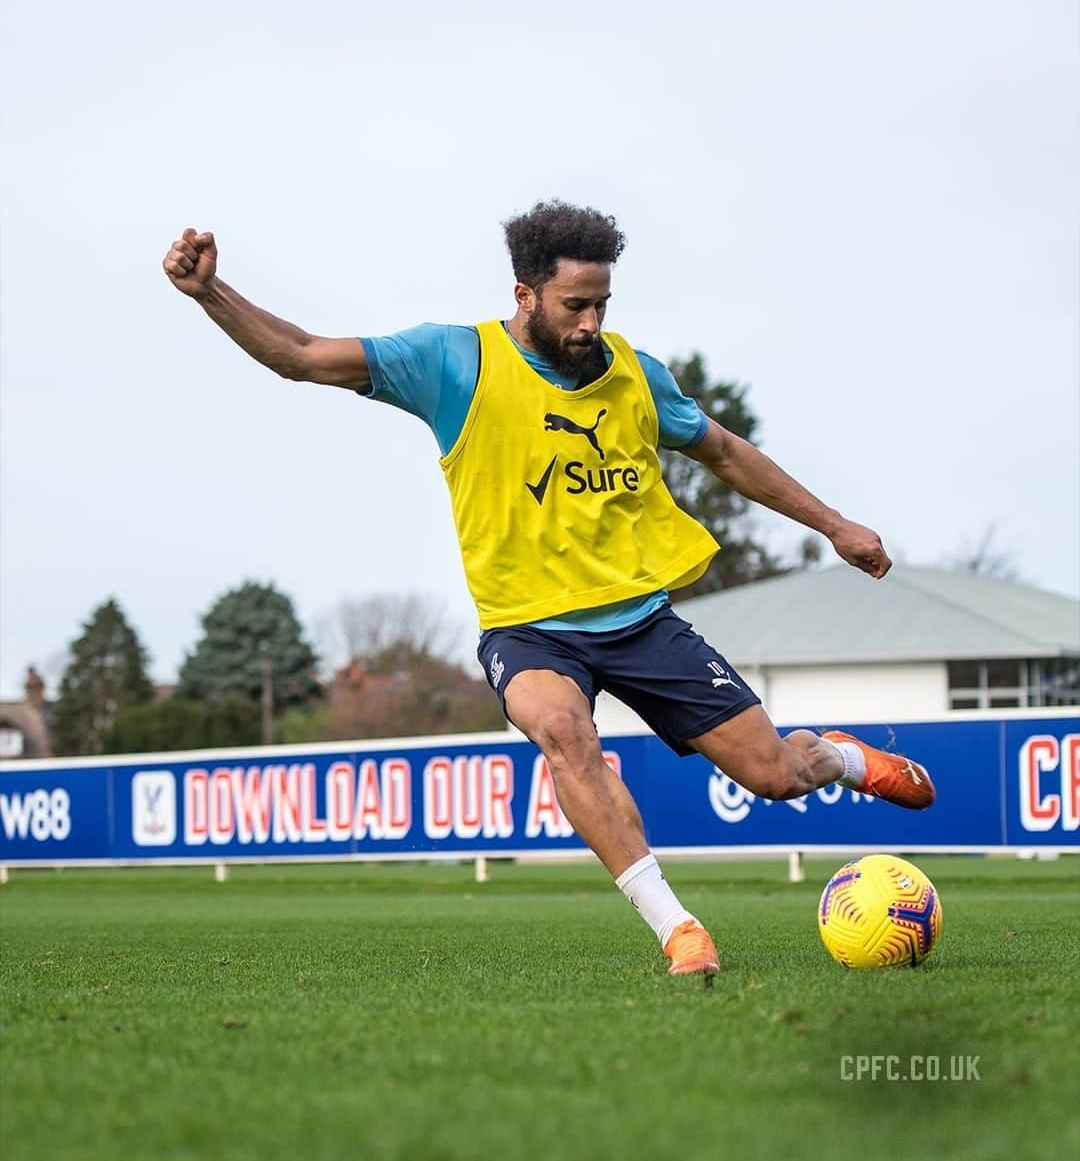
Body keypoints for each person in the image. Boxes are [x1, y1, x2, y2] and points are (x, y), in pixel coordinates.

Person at [162, 200, 935, 979]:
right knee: (566, 737)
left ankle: (840, 759)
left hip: (641, 621)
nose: (591, 321)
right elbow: (300, 353)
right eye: (575, 305)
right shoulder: (452, 362)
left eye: (602, 304)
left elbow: (727, 453)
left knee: (775, 775)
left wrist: (833, 524)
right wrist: (211, 294)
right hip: (528, 628)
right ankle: (679, 931)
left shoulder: (636, 374)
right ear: (524, 295)